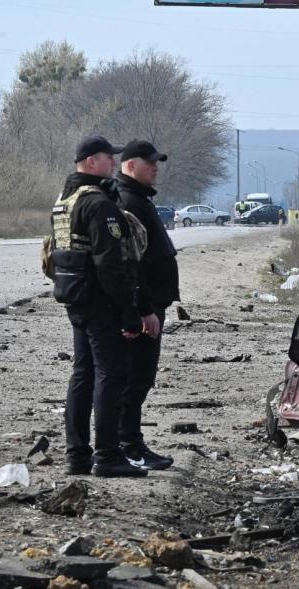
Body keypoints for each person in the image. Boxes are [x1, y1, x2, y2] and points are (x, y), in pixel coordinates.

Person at [55, 135, 147, 478]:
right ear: (91, 162)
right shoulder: (97, 204)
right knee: (112, 375)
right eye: (109, 157)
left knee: (83, 374)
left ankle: (77, 456)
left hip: (74, 297)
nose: (114, 162)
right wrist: (128, 310)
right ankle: (107, 454)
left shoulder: (65, 199)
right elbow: (111, 262)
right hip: (100, 300)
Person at [115, 139, 178, 470]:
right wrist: (143, 309)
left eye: (157, 162)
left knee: (140, 377)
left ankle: (131, 443)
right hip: (144, 308)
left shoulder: (139, 199)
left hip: (152, 304)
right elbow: (131, 263)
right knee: (135, 378)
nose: (156, 167)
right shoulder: (128, 201)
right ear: (129, 166)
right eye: (149, 162)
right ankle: (129, 446)